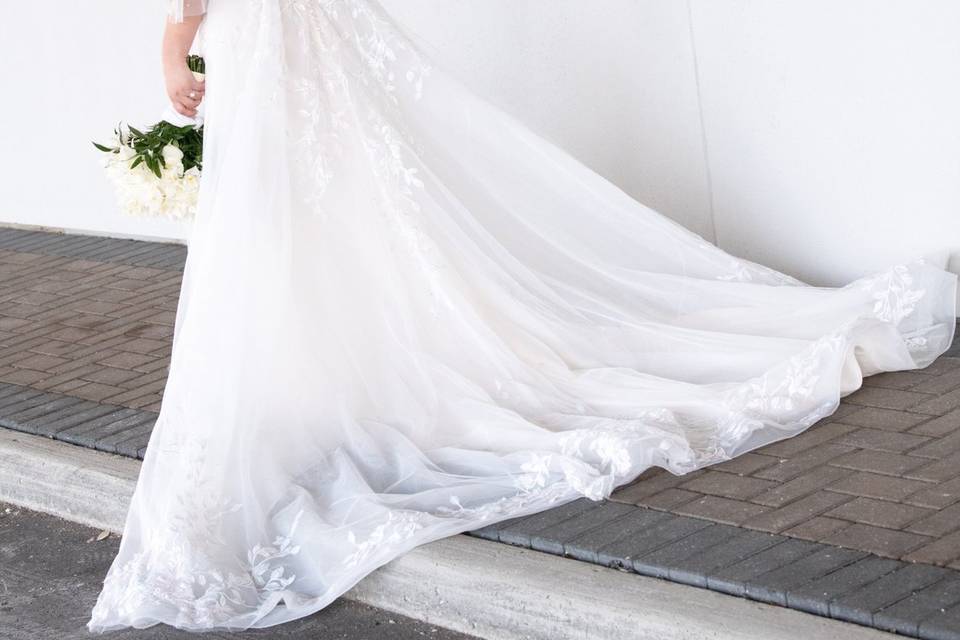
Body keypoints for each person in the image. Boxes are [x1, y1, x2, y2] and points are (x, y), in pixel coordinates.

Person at [88, 0, 956, 632]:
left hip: (312, 77)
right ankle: (320, 389)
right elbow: (187, 11)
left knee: (352, 241)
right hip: (266, 78)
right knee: (292, 250)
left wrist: (190, 44)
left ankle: (364, 381)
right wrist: (178, 52)